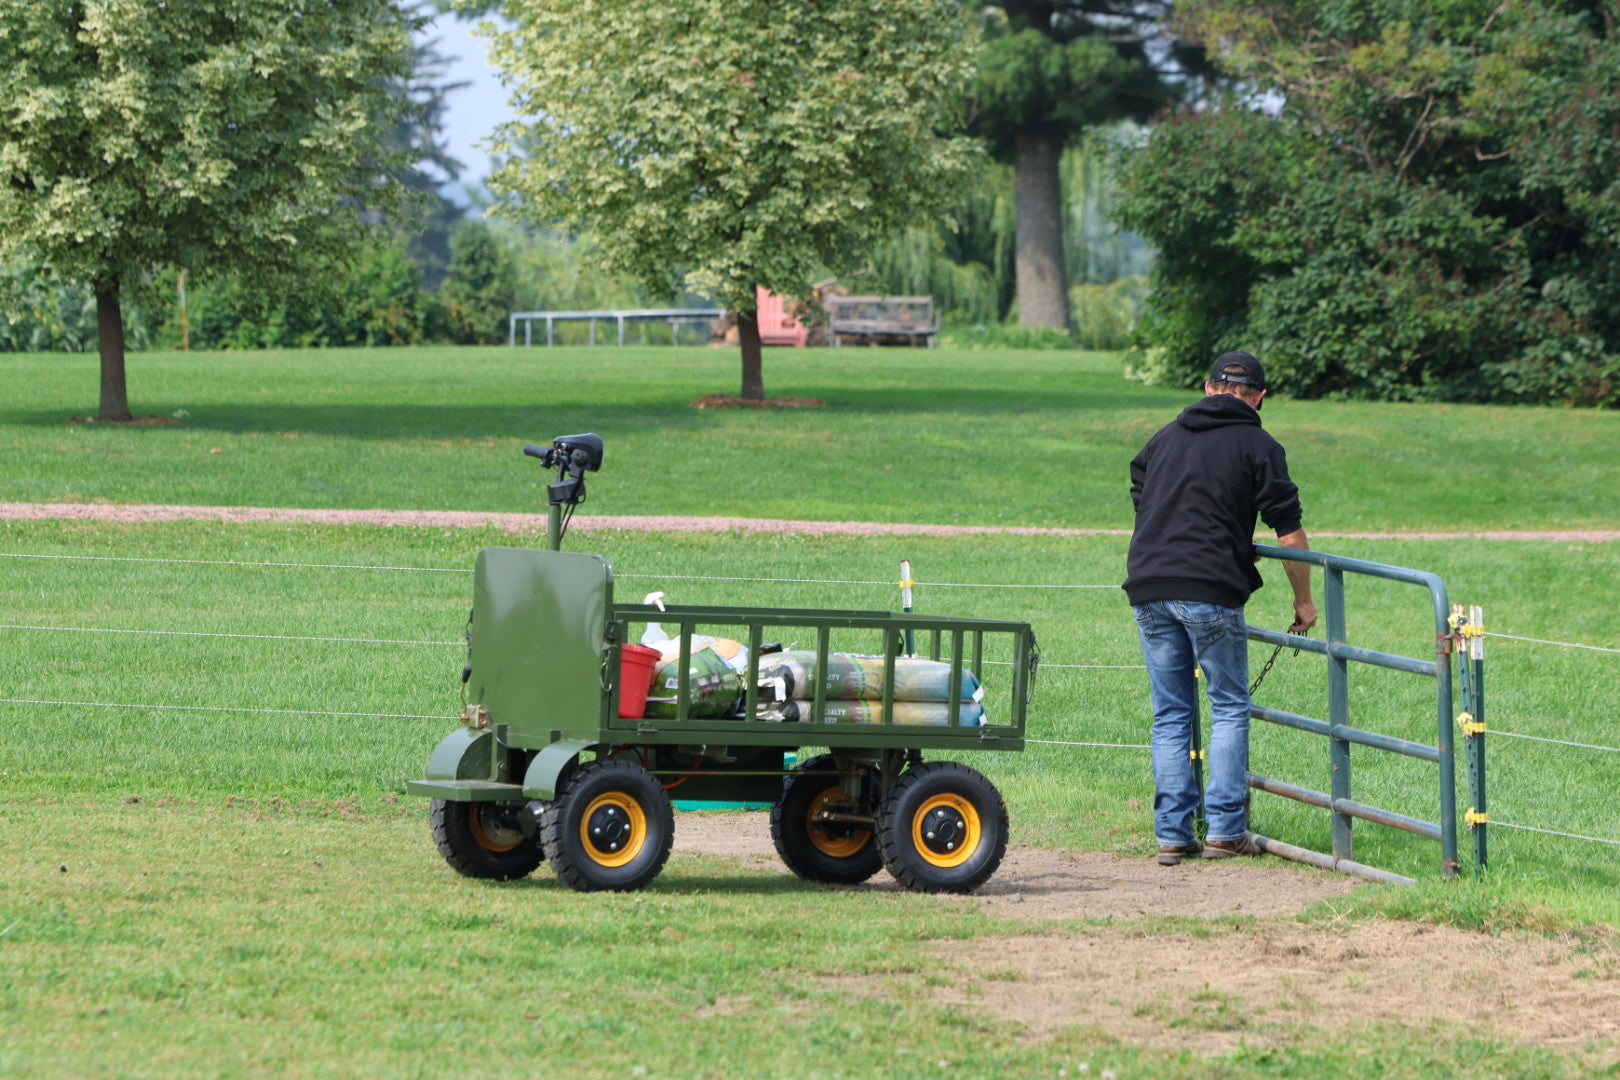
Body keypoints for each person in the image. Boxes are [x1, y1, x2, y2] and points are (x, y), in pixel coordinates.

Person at [1123, 351, 1318, 865]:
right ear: (1258, 397)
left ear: (1208, 388)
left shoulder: (1165, 437)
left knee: (1170, 714)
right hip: (1209, 589)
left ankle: (1171, 834)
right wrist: (1303, 601)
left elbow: (1141, 489)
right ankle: (1227, 830)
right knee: (1229, 706)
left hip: (1147, 584)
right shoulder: (1259, 444)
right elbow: (1291, 535)